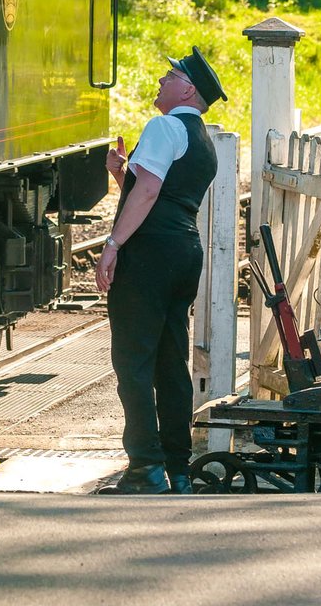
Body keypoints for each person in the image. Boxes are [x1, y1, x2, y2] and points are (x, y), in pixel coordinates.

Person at [95, 45, 227, 495]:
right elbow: (161, 194)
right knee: (171, 361)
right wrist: (122, 176)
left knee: (132, 361)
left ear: (187, 89)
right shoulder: (203, 141)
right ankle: (178, 468)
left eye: (169, 76)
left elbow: (149, 193)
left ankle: (144, 468)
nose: (160, 80)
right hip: (183, 251)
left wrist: (113, 245)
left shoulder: (163, 126)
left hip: (148, 254)